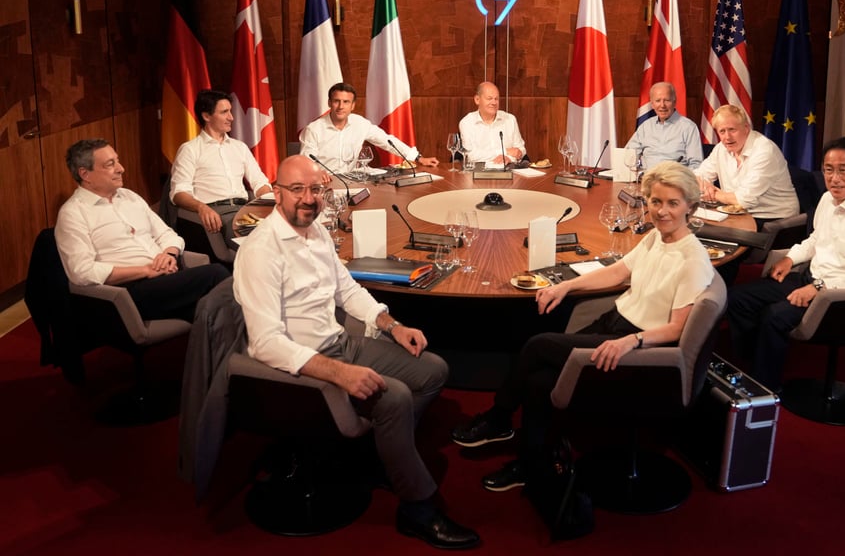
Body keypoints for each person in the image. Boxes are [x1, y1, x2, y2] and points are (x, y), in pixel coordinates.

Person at [232, 155, 479, 550]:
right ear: (277, 193)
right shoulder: (262, 250)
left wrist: (392, 325)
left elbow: (347, 290)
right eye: (297, 190)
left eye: (316, 189)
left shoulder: (317, 233)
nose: (308, 198)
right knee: (395, 396)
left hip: (339, 342)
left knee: (432, 370)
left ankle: (379, 453)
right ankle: (417, 509)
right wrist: (339, 374)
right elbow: (265, 343)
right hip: (302, 366)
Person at [450, 161, 714, 490]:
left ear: (691, 205)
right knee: (538, 382)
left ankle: (498, 417)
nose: (662, 211)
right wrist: (565, 286)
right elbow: (618, 272)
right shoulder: (655, 238)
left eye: (673, 203)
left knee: (536, 345)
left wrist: (631, 341)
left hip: (637, 349)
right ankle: (532, 464)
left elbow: (677, 329)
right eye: (656, 201)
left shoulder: (693, 259)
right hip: (614, 324)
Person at [726, 137, 845, 392]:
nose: (835, 178)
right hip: (810, 277)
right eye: (829, 169)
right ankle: (753, 361)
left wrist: (819, 287)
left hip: (838, 297)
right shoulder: (827, 199)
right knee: (738, 298)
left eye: (843, 170)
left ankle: (765, 387)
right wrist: (790, 258)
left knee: (775, 315)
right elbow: (816, 238)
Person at [54, 139, 229, 321]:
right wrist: (145, 270)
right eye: (110, 164)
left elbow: (167, 234)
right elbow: (82, 272)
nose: (121, 168)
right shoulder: (73, 213)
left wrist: (169, 254)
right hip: (130, 290)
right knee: (217, 274)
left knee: (214, 313)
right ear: (85, 174)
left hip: (167, 277)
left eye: (118, 160)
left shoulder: (130, 197)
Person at [169, 89, 272, 236]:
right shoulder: (190, 150)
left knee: (286, 231)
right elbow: (179, 193)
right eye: (224, 112)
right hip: (217, 215)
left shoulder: (239, 147)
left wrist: (268, 203)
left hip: (245, 211)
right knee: (263, 238)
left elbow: (259, 182)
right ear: (206, 116)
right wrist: (201, 207)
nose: (231, 117)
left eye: (230, 111)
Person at [300, 81, 439, 183]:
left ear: (353, 105)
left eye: (346, 102)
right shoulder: (314, 129)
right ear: (329, 103)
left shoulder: (360, 123)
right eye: (337, 101)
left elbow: (387, 141)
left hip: (353, 183)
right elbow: (305, 162)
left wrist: (418, 158)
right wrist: (317, 173)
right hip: (324, 184)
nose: (341, 106)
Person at [695, 104, 798, 227]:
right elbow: (696, 177)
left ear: (746, 128)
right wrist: (704, 185)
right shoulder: (721, 149)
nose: (727, 137)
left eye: (732, 129)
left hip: (773, 220)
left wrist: (713, 193)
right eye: (722, 131)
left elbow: (743, 200)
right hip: (737, 214)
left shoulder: (764, 151)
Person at [624, 82, 703, 168]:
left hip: (674, 179)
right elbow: (628, 155)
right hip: (646, 178)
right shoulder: (645, 126)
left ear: (674, 102)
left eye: (667, 100)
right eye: (658, 101)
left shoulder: (689, 127)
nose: (662, 105)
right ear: (652, 104)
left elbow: (696, 165)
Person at [458, 81, 526, 165]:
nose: (494, 103)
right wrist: (505, 151)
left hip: (507, 170)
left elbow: (521, 150)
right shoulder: (467, 122)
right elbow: (471, 155)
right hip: (477, 173)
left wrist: (508, 158)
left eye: (496, 99)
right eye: (489, 98)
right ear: (477, 100)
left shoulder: (510, 119)